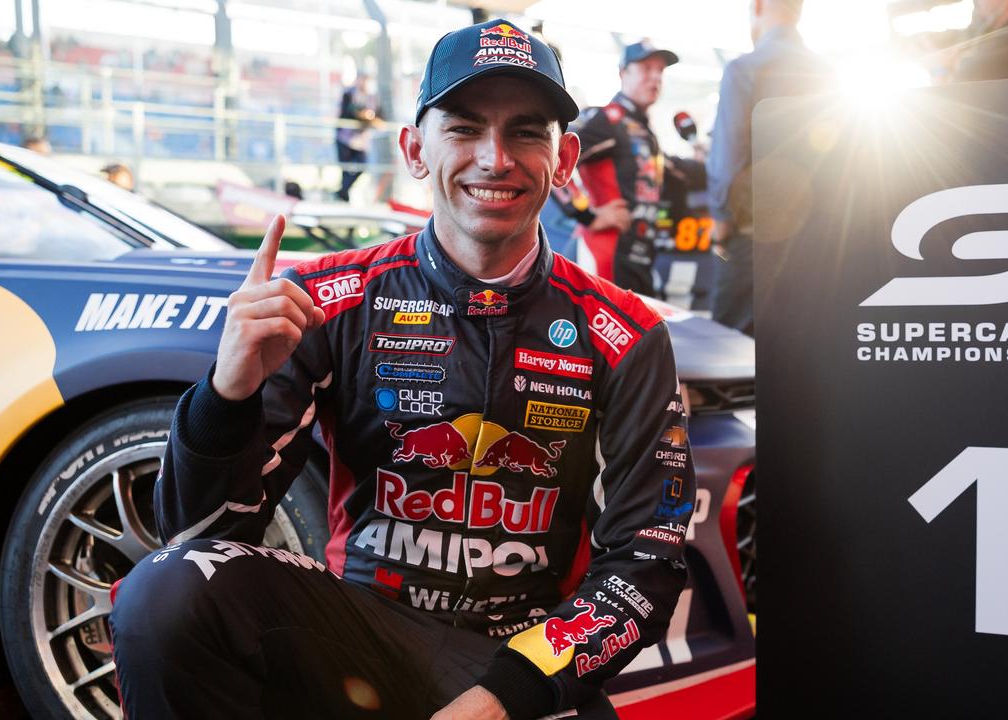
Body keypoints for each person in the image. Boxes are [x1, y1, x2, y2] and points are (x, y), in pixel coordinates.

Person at [110, 17, 694, 720]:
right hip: (359, 635)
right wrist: (225, 395)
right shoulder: (330, 301)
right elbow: (197, 539)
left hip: (520, 666)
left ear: (565, 158)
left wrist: (497, 701)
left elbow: (647, 567)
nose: (494, 157)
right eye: (465, 128)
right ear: (416, 149)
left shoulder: (625, 334)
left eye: (526, 133)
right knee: (164, 589)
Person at [706, 0, 829, 336]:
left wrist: (721, 221)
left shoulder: (745, 69)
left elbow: (729, 151)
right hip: (820, 242)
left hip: (753, 237)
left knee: (725, 352)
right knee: (803, 344)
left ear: (757, 6)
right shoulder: (828, 74)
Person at [555, 40, 682, 297]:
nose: (655, 77)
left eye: (660, 71)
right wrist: (588, 215)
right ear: (623, 73)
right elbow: (551, 158)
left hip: (639, 259)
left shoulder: (645, 130)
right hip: (603, 255)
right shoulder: (606, 119)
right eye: (646, 68)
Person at [335, 72, 382, 202]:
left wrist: (370, 118)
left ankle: (342, 193)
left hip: (361, 139)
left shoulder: (372, 97)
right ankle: (343, 195)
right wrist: (361, 114)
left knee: (362, 166)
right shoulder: (348, 94)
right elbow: (347, 112)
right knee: (345, 170)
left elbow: (378, 114)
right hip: (344, 137)